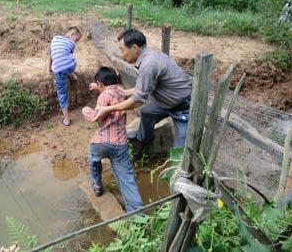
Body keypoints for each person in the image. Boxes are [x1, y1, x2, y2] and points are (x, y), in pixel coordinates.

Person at [92, 29, 192, 159]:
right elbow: (144, 86)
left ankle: (178, 172)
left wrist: (108, 109)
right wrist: (123, 92)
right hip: (165, 101)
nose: (122, 54)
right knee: (147, 113)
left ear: (134, 47)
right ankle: (143, 140)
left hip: (182, 106)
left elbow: (138, 101)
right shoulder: (149, 55)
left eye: (122, 49)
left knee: (180, 150)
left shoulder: (148, 64)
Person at [82, 67, 144, 212]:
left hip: (101, 142)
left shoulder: (104, 95)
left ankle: (97, 186)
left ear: (100, 83)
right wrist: (96, 86)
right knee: (127, 179)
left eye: (97, 85)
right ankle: (138, 215)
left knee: (93, 159)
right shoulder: (121, 90)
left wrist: (85, 110)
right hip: (120, 143)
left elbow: (96, 117)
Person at [48, 27, 82, 126]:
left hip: (59, 69)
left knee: (61, 94)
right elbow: (67, 55)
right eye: (77, 39)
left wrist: (49, 69)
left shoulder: (55, 39)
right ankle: (71, 73)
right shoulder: (71, 44)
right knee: (68, 62)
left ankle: (66, 120)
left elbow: (50, 55)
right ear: (72, 35)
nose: (76, 42)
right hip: (71, 65)